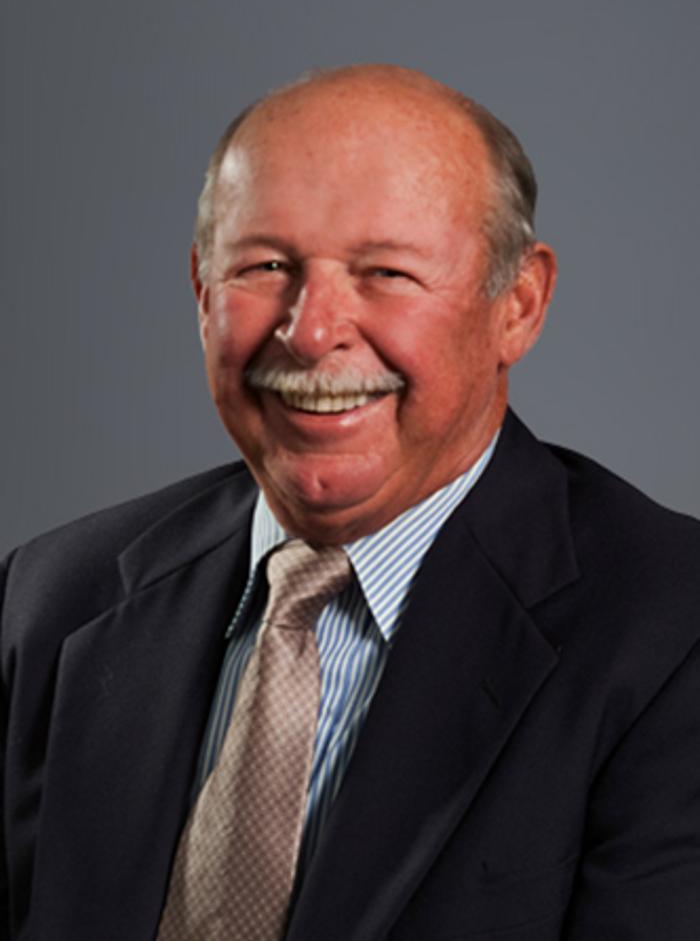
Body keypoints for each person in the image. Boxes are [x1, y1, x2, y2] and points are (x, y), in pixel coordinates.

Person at [2, 64, 699, 940]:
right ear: (202, 291)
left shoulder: (672, 629)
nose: (311, 330)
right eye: (265, 265)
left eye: (386, 272)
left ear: (518, 305)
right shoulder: (53, 598)